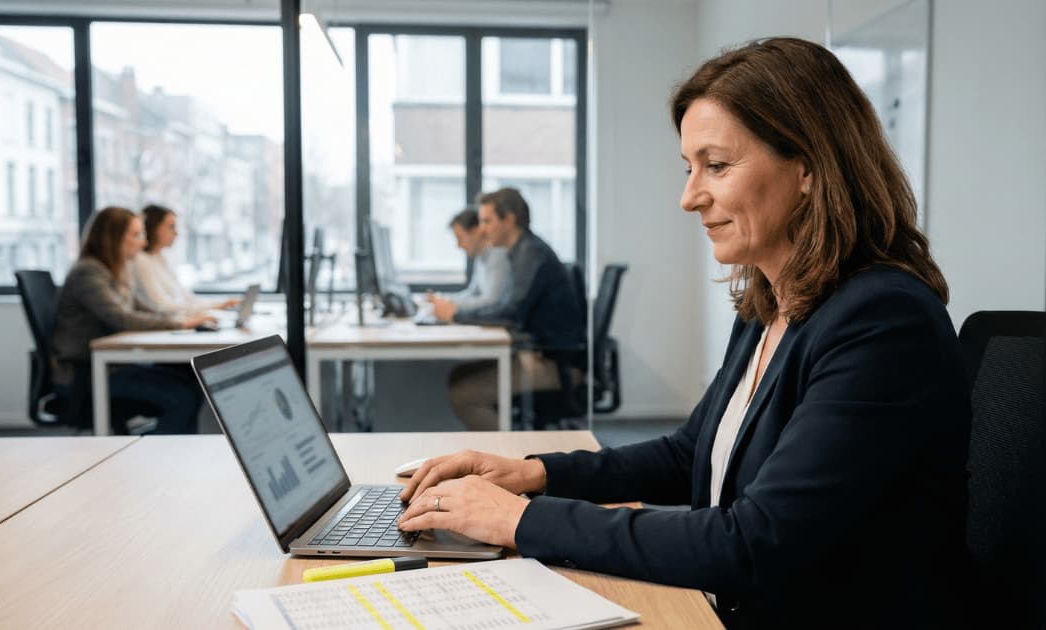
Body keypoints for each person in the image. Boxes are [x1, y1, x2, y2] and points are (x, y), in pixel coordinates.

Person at [397, 38, 972, 628]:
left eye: (716, 166)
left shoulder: (881, 321)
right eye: (689, 168)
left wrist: (514, 520)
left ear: (807, 168)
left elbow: (752, 542)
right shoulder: (771, 302)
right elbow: (689, 454)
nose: (688, 197)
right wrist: (537, 474)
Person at [431, 188, 584, 431]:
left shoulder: (531, 254)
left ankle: (511, 460)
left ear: (509, 220)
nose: (481, 229)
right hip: (537, 352)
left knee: (463, 395)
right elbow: (502, 307)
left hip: (554, 364)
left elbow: (510, 313)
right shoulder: (520, 251)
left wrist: (456, 315)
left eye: (487, 221)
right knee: (458, 376)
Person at [52, 206, 215, 434]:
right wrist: (179, 324)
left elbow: (144, 309)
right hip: (88, 373)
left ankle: (169, 456)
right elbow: (123, 319)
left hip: (114, 366)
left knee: (192, 385)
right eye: (136, 235)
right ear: (114, 238)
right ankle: (154, 460)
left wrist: (186, 319)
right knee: (182, 398)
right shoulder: (88, 273)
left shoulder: (118, 270)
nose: (142, 242)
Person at [132, 204, 238, 316]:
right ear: (154, 228)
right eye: (171, 227)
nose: (176, 233)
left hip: (180, 317)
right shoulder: (141, 261)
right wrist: (213, 307)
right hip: (171, 320)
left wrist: (219, 305)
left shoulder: (160, 258)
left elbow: (186, 297)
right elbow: (162, 306)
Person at [426, 206, 511, 311]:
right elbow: (473, 292)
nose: (458, 245)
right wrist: (443, 299)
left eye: (460, 238)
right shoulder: (480, 257)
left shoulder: (498, 255)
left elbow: (491, 301)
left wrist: (449, 304)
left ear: (475, 231)